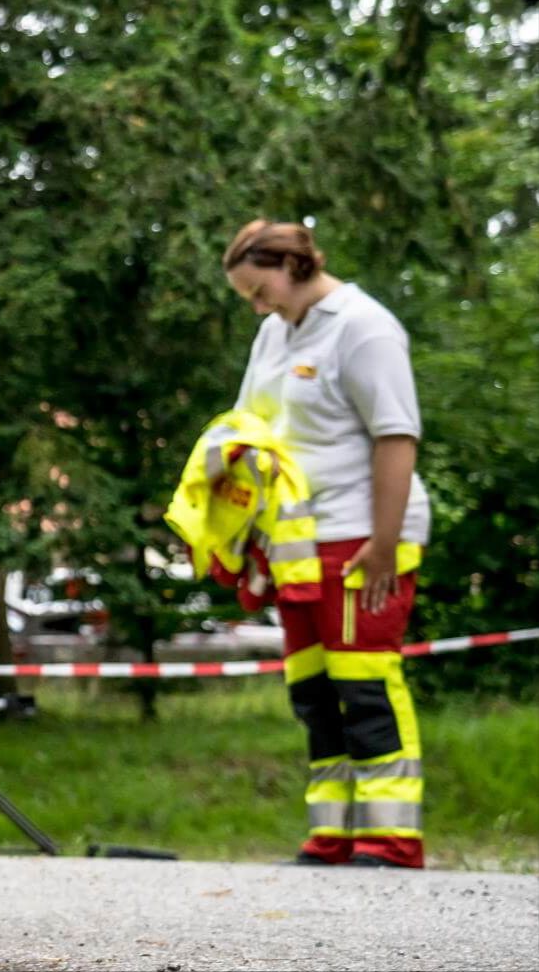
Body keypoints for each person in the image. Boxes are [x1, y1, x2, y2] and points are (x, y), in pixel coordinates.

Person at [223, 218, 430, 869]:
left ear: (296, 266)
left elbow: (395, 436)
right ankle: (333, 834)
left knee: (363, 682)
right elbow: (249, 428)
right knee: (312, 690)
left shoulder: (363, 327)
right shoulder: (273, 332)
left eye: (261, 290)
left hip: (361, 535)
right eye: (248, 298)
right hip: (293, 542)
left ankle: (390, 837)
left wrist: (384, 542)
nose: (258, 307)